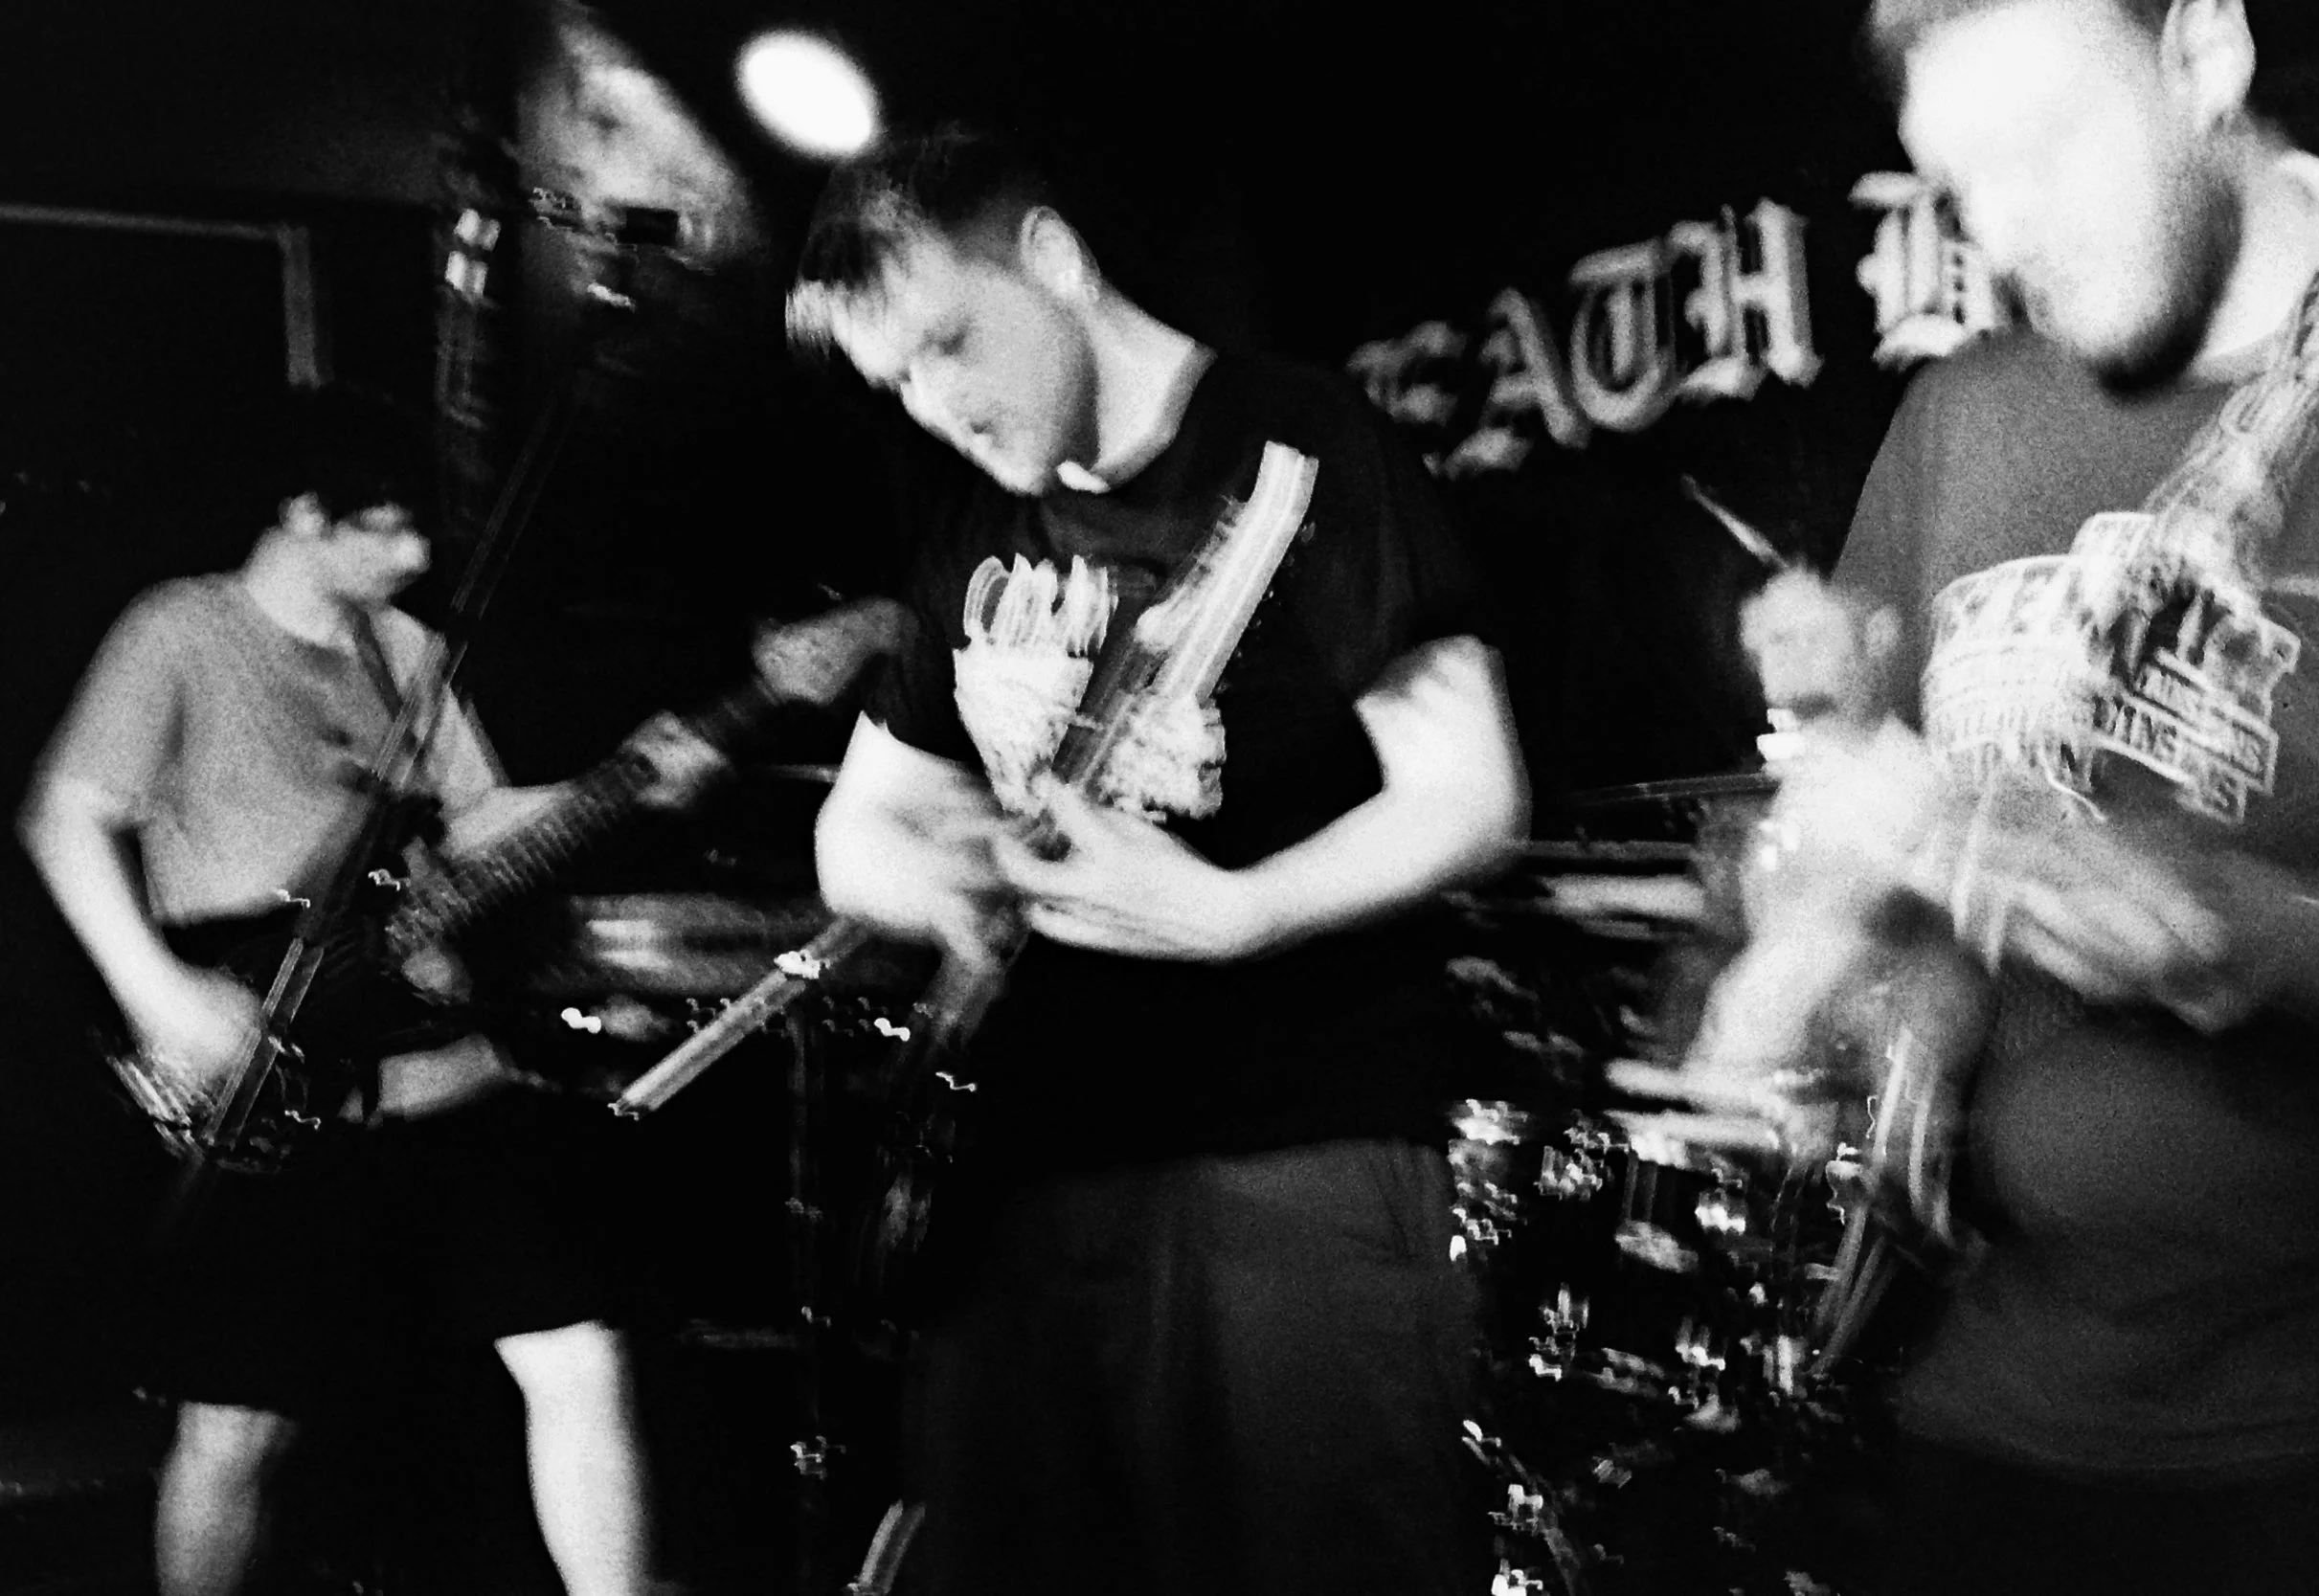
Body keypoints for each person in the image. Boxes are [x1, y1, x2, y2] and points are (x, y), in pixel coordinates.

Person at [786, 125, 1528, 1595]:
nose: (939, 404)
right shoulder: (982, 514)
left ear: (1053, 259)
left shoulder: (1302, 445)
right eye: (899, 382)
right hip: (1029, 1169)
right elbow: (854, 826)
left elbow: (1472, 790)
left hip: (1293, 1151)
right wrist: (942, 882)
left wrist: (1237, 910)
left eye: (949, 343)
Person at [1718, 2, 2319, 1589]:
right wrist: (1818, 950)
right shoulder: (1961, 414)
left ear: (2206, 52)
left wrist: (2225, 932)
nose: (2006, 234)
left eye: (2047, 148)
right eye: (1962, 185)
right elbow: (1855, 812)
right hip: (1984, 1409)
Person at [17, 390, 710, 1596]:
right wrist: (160, 992)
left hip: (439, 1070)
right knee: (237, 1424)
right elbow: (67, 813)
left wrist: (627, 781)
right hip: (275, 1074)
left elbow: (477, 822)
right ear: (304, 511)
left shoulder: (406, 651)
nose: (417, 554)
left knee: (578, 1349)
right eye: (387, 525)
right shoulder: (181, 628)